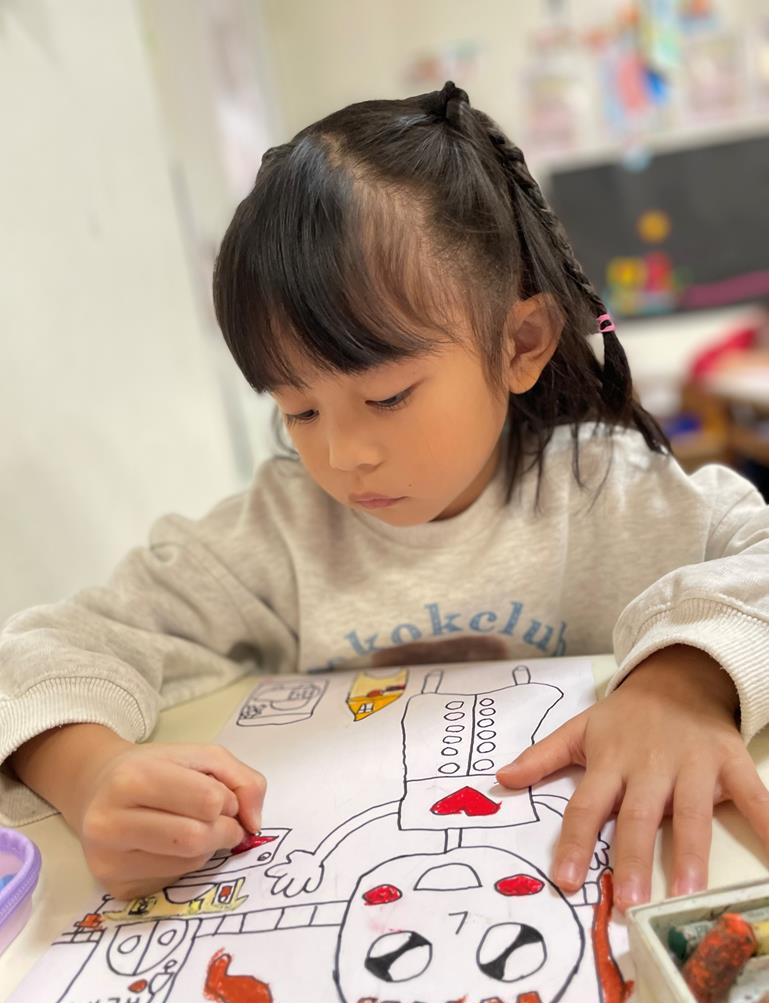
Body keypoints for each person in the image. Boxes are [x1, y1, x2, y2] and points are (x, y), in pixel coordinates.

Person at [2, 83, 768, 911]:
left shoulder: (605, 491)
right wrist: (90, 772)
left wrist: (684, 681)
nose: (343, 455)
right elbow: (48, 650)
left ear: (520, 343)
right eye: (298, 410)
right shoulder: (281, 530)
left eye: (388, 396)